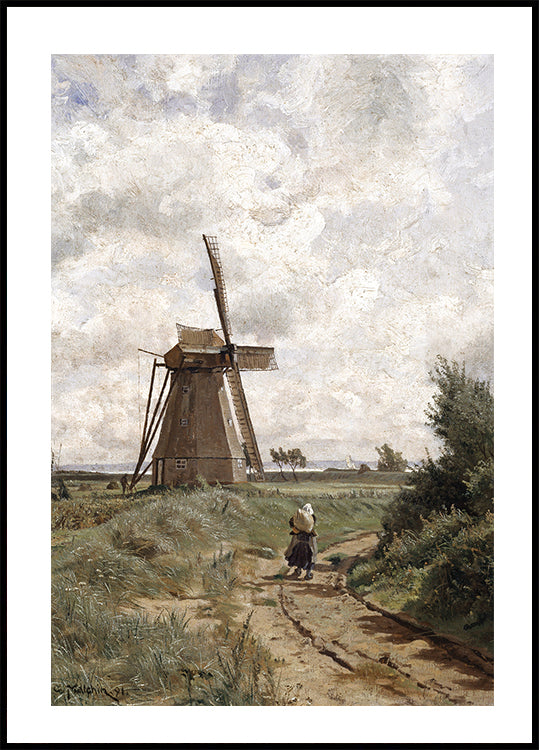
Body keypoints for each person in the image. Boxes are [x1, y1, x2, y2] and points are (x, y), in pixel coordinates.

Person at [284, 503, 318, 580]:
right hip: (308, 543)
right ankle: (308, 574)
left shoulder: (298, 520)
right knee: (310, 557)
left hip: (299, 542)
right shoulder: (312, 520)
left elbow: (291, 523)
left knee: (299, 555)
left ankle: (298, 570)